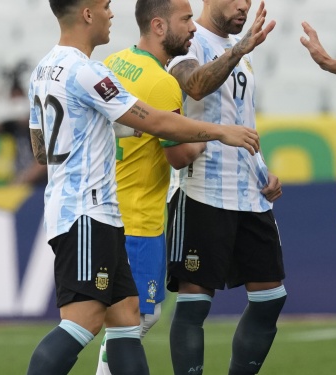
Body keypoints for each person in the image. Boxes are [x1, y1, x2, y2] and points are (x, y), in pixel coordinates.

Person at [24, 0, 259, 374]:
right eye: (104, 6)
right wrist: (221, 131)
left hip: (88, 210)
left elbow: (40, 150)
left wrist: (103, 128)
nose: (111, 13)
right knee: (83, 322)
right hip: (87, 211)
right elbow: (160, 124)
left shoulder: (43, 69)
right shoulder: (87, 72)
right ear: (86, 14)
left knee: (127, 320)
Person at [165, 1, 284, 374]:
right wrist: (240, 48)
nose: (244, 5)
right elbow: (195, 86)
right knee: (195, 302)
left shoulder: (239, 51)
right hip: (201, 189)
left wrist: (262, 169)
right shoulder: (189, 40)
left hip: (248, 192)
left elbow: (238, 117)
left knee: (270, 298)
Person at [93, 0, 204, 373]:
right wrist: (207, 137)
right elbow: (179, 155)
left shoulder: (115, 62)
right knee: (138, 320)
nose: (193, 27)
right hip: (140, 218)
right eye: (186, 19)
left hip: (111, 207)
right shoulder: (162, 83)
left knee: (125, 321)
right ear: (158, 26)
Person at [0, 61, 47, 186]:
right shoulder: (13, 125)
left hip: (40, 185)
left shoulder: (40, 124)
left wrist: (22, 180)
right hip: (23, 181)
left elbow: (43, 161)